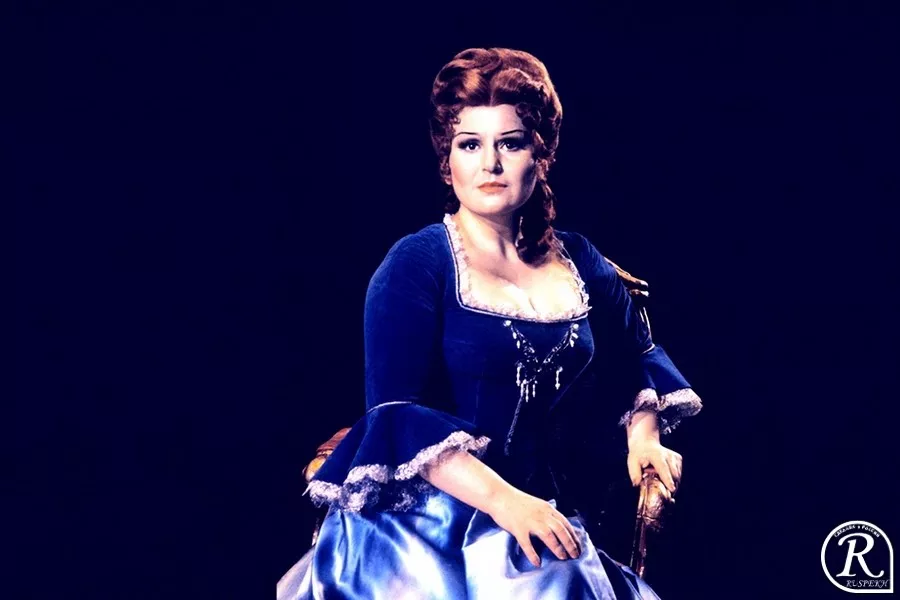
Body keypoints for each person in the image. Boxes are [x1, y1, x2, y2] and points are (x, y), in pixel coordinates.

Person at [277, 47, 703, 599]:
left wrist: (643, 438)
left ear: (540, 154)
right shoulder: (418, 263)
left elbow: (636, 355)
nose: (490, 165)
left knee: (567, 574)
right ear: (447, 159)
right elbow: (394, 413)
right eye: (470, 144)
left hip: (547, 509)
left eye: (511, 143)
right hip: (431, 519)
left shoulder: (577, 259)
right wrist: (506, 502)